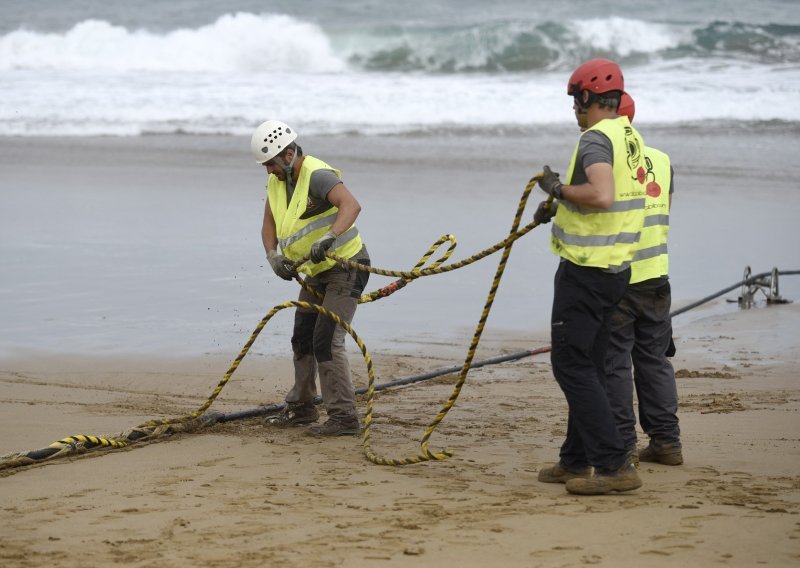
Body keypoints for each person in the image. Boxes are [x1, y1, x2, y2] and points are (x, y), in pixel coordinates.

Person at [533, 59, 648, 495]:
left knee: (572, 366)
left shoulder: (596, 140)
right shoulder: (628, 135)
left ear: (586, 98)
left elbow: (601, 194)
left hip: (588, 270)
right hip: (616, 268)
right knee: (591, 365)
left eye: (574, 101)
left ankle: (614, 466)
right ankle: (575, 460)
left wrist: (558, 190)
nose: (573, 111)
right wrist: (562, 203)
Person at [251, 119, 370, 436]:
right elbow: (269, 227)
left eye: (270, 164)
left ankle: (344, 417)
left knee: (326, 340)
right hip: (315, 274)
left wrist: (330, 237)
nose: (268, 171)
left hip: (346, 267)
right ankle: (302, 408)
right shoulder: (277, 183)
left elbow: (351, 205)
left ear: (288, 155)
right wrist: (273, 257)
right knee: (302, 337)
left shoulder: (317, 175)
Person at [604, 93, 683, 465]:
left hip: (618, 277)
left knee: (615, 363)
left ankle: (622, 446)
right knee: (654, 361)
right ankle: (667, 442)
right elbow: (664, 207)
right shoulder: (663, 161)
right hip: (656, 277)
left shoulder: (605, 163)